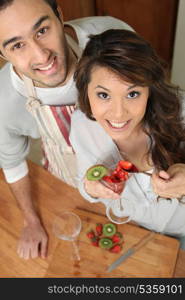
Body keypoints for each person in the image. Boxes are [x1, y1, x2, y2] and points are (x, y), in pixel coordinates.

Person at [0, 0, 134, 259]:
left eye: (42, 31)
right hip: (70, 185)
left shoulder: (110, 35)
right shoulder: (3, 101)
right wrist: (31, 222)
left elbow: (152, 96)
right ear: (3, 54)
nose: (42, 56)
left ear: (59, 15)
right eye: (18, 45)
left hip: (139, 165)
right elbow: (13, 164)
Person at [70, 29, 185, 246]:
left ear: (150, 89)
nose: (118, 114)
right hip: (136, 231)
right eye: (103, 95)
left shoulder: (180, 111)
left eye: (132, 94)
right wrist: (90, 188)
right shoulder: (81, 127)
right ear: (86, 91)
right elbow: (83, 182)